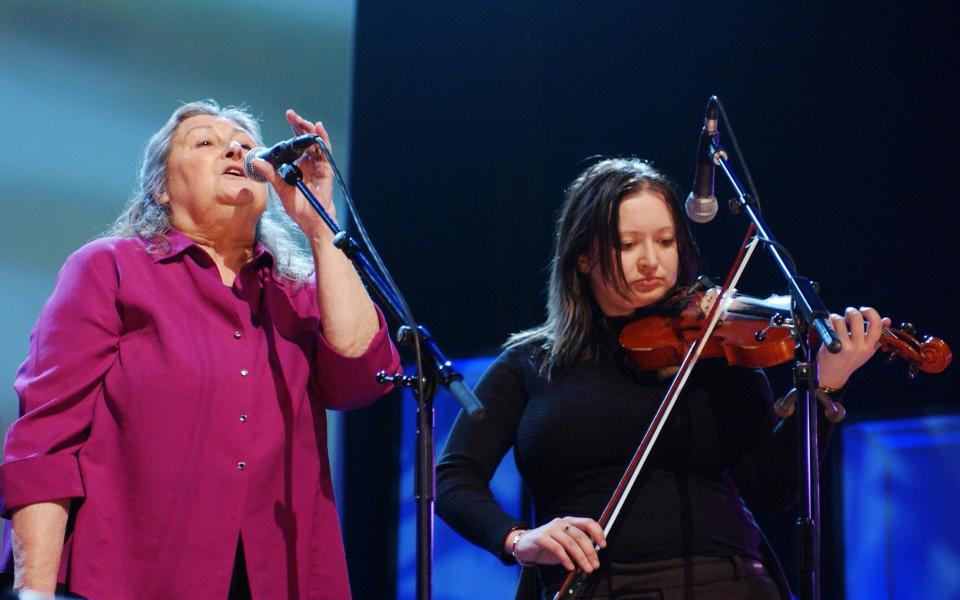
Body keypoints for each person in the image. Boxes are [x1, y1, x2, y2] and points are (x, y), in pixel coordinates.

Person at [0, 100, 400, 599]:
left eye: (247, 146)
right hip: (131, 578)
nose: (235, 147)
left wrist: (320, 224)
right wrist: (33, 590)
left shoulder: (297, 292)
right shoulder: (111, 268)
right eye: (206, 142)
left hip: (278, 579)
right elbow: (46, 441)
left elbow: (362, 378)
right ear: (160, 190)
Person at [435, 158, 886, 599]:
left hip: (724, 581)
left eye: (665, 241)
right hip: (594, 586)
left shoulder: (711, 346)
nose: (651, 260)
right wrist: (518, 540)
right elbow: (455, 477)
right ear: (583, 257)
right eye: (627, 245)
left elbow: (773, 488)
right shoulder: (529, 364)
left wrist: (823, 389)